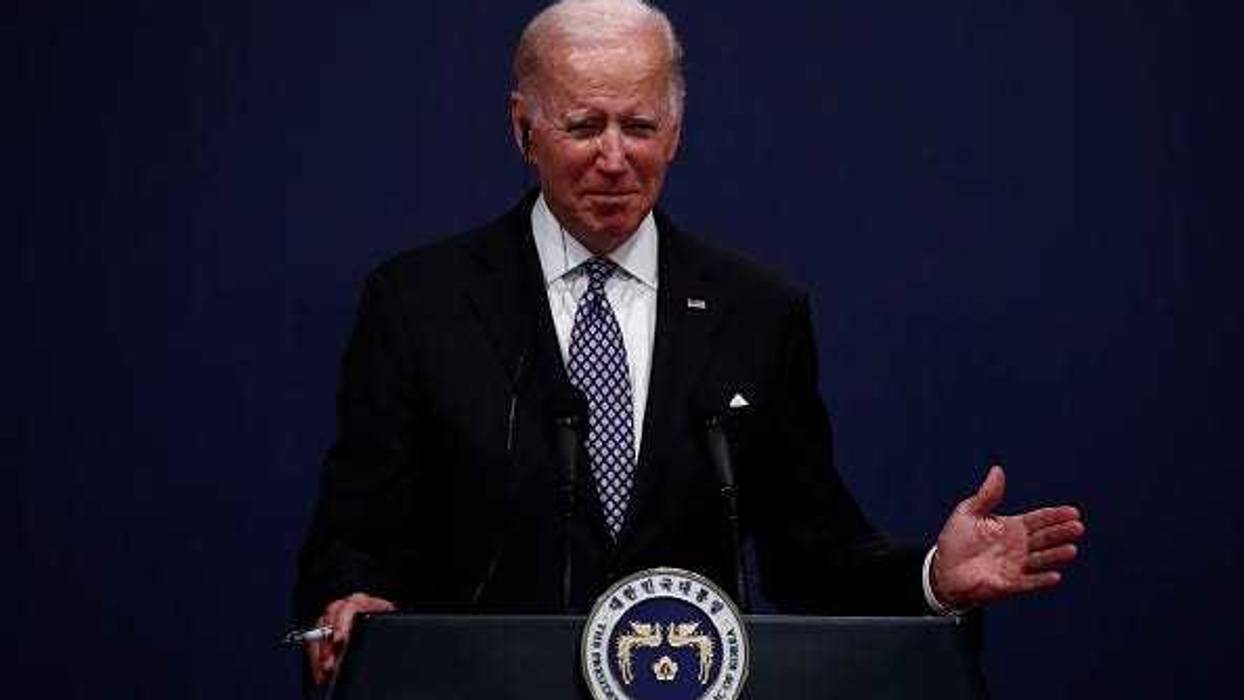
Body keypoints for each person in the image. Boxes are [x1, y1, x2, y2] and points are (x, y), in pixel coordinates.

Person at [293, 0, 1085, 686]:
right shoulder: (418, 302)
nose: (614, 157)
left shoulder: (756, 313)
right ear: (522, 129)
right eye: (583, 125)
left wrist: (932, 580)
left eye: (639, 126)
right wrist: (351, 600)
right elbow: (355, 531)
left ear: (675, 133)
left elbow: (810, 554)